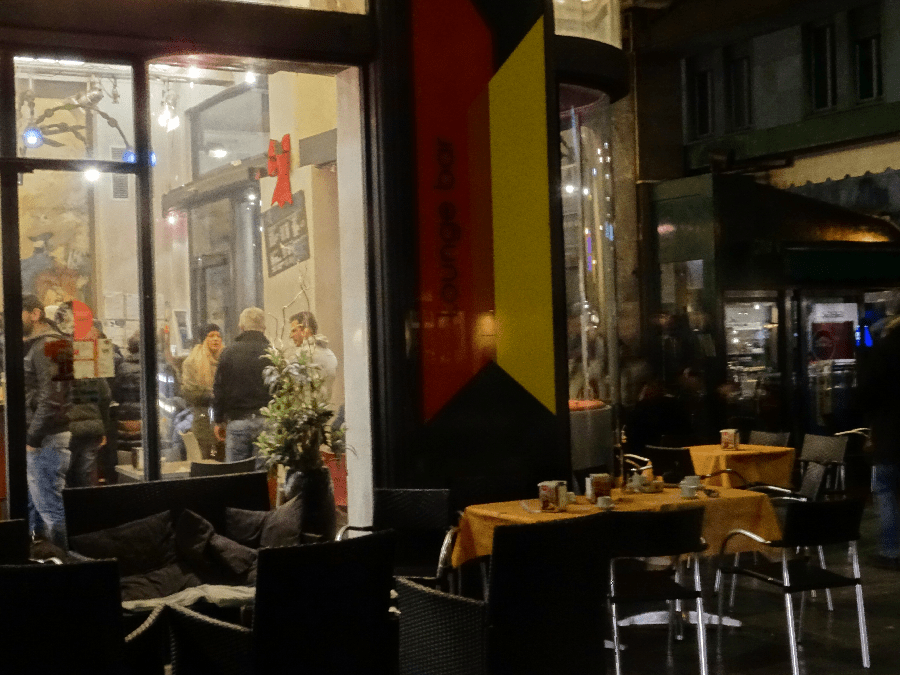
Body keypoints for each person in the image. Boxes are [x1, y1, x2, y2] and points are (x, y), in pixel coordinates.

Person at [22, 294, 73, 548]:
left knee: (50, 508)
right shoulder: (47, 344)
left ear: (35, 314)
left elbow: (53, 398)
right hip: (48, 435)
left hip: (46, 438)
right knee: (40, 505)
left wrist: (33, 438)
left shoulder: (46, 346)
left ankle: (66, 562)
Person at [858, 306, 900, 570]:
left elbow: (867, 394)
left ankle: (891, 550)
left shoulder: (883, 351)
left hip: (890, 435)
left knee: (885, 490)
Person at [53, 303, 110, 488]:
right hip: (90, 429)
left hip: (64, 429)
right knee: (86, 477)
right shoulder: (88, 354)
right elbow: (105, 394)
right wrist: (103, 428)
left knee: (63, 479)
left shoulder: (53, 353)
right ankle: (89, 506)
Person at [212, 307, 271, 462]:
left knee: (236, 473)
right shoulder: (273, 353)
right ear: (264, 328)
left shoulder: (229, 353)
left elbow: (219, 389)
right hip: (266, 422)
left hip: (238, 421)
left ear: (241, 327)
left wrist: (218, 420)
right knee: (263, 473)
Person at [181, 323, 224, 461]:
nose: (216, 339)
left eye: (218, 336)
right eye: (211, 336)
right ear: (203, 340)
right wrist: (210, 394)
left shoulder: (227, 359)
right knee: (204, 458)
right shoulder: (192, 362)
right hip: (202, 419)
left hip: (223, 421)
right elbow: (188, 391)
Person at [288, 310, 338, 405]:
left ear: (306, 330)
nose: (291, 336)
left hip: (304, 410)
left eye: (294, 331)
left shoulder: (302, 355)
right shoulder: (330, 354)